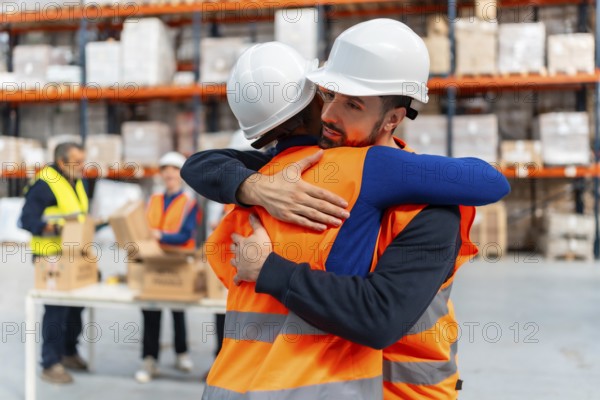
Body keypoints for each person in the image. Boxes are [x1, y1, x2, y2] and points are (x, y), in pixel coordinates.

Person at [182, 35, 510, 400]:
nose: (328, 115)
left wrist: (268, 266)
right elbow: (202, 165)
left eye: (352, 104)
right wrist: (255, 187)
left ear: (392, 119)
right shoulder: (275, 180)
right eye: (330, 94)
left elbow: (379, 316)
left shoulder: (422, 202)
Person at [20, 142, 89, 384]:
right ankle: (50, 363)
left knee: (76, 306)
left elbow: (78, 215)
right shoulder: (44, 184)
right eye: (77, 161)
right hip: (49, 257)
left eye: (83, 161)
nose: (82, 166)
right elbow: (26, 220)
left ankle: (68, 352)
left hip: (72, 255)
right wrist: (54, 227)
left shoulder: (76, 180)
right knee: (56, 310)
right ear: (61, 162)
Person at [135, 151, 199, 383]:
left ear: (180, 175)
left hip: (178, 261)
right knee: (151, 310)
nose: (169, 174)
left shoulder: (190, 203)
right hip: (153, 261)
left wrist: (160, 235)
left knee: (177, 310)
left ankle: (181, 353)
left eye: (174, 170)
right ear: (161, 175)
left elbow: (186, 234)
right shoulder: (152, 201)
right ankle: (149, 359)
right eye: (166, 170)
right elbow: (142, 229)